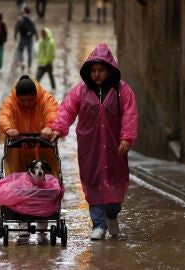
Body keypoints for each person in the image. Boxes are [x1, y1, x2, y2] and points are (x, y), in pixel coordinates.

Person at [50, 44, 138, 240]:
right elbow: (67, 110)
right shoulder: (80, 91)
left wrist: (127, 138)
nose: (97, 75)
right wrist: (58, 127)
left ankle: (112, 216)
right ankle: (98, 224)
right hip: (90, 148)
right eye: (93, 71)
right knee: (93, 183)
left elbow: (130, 115)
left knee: (115, 183)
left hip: (115, 147)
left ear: (109, 71)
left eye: (101, 71)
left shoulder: (121, 90)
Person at [0, 75, 59, 176]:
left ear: (36, 95)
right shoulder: (10, 102)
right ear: (17, 97)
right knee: (18, 177)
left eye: (30, 100)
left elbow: (53, 111)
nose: (26, 104)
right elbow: (4, 115)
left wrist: (49, 126)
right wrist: (8, 129)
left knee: (48, 175)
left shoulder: (46, 99)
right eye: (22, 101)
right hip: (18, 149)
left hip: (43, 146)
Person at [14, 6, 38, 74]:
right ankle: (29, 67)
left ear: (24, 11)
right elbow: (34, 28)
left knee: (20, 50)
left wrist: (15, 35)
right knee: (30, 52)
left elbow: (17, 27)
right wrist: (36, 35)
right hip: (30, 37)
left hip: (23, 37)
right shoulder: (31, 19)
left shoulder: (20, 19)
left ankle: (22, 62)